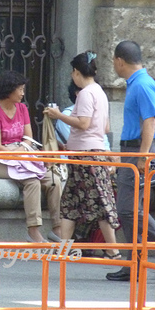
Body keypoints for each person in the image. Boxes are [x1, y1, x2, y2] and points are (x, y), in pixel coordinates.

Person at [105, 40, 155, 281]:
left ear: (119, 60)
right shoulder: (139, 83)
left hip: (139, 150)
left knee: (127, 210)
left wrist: (143, 155)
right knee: (131, 209)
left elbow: (149, 121)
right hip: (136, 149)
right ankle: (136, 263)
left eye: (113, 61)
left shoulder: (141, 85)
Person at [44, 52, 120, 259]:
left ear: (77, 72)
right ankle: (64, 248)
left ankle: (112, 249)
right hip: (88, 153)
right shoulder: (100, 92)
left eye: (73, 72)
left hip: (88, 156)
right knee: (70, 201)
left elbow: (84, 123)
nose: (72, 76)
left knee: (99, 202)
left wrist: (59, 115)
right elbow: (104, 126)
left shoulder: (86, 93)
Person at [0, 70, 62, 243]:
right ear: (9, 90)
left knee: (53, 180)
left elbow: (28, 137)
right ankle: (33, 231)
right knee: (32, 181)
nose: (22, 93)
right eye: (19, 89)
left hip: (21, 154)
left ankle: (57, 229)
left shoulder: (22, 108)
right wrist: (16, 152)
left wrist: (22, 150)